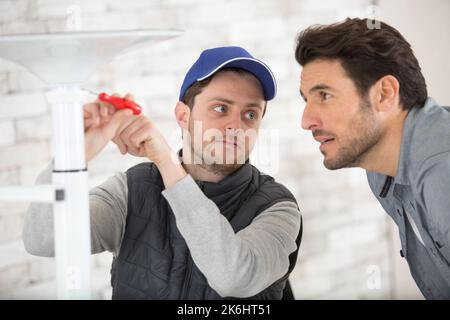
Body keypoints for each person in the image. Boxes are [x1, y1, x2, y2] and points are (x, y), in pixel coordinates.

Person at [23, 46, 302, 299]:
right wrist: (74, 152)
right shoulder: (132, 189)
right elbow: (44, 239)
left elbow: (233, 277)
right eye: (220, 108)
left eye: (251, 114)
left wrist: (166, 161)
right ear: (183, 116)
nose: (236, 126)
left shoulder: (278, 207)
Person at [295, 18, 450, 299]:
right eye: (306, 100)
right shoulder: (379, 169)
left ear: (384, 94)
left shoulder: (442, 171)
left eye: (325, 95)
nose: (306, 121)